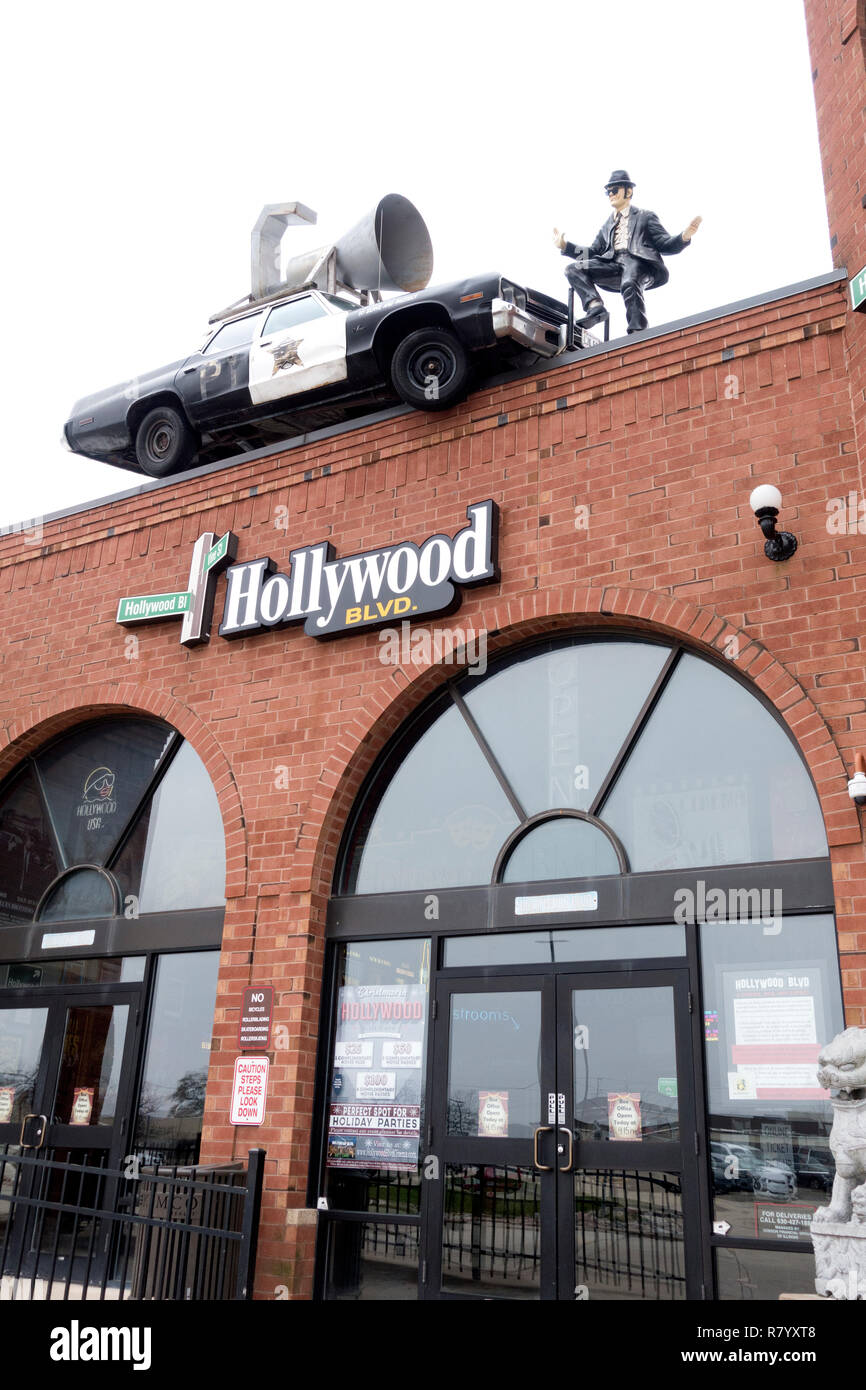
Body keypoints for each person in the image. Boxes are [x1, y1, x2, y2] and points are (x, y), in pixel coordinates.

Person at [553, 170, 702, 334]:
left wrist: (684, 236)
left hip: (637, 261)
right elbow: (593, 251)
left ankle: (637, 330)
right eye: (608, 192)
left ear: (628, 191)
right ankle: (595, 308)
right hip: (612, 263)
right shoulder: (607, 224)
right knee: (573, 269)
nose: (611, 194)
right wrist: (566, 246)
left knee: (630, 282)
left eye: (615, 190)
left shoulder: (645, 216)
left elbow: (664, 244)